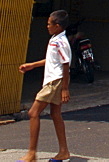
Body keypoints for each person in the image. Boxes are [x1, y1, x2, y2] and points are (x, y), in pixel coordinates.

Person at [18, 10, 71, 162]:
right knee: (55, 114)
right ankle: (63, 151)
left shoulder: (59, 42)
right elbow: (51, 60)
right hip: (54, 80)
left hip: (55, 81)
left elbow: (65, 64)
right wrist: (32, 65)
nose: (47, 27)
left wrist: (65, 88)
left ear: (58, 26)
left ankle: (32, 153)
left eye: (49, 24)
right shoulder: (55, 39)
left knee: (33, 112)